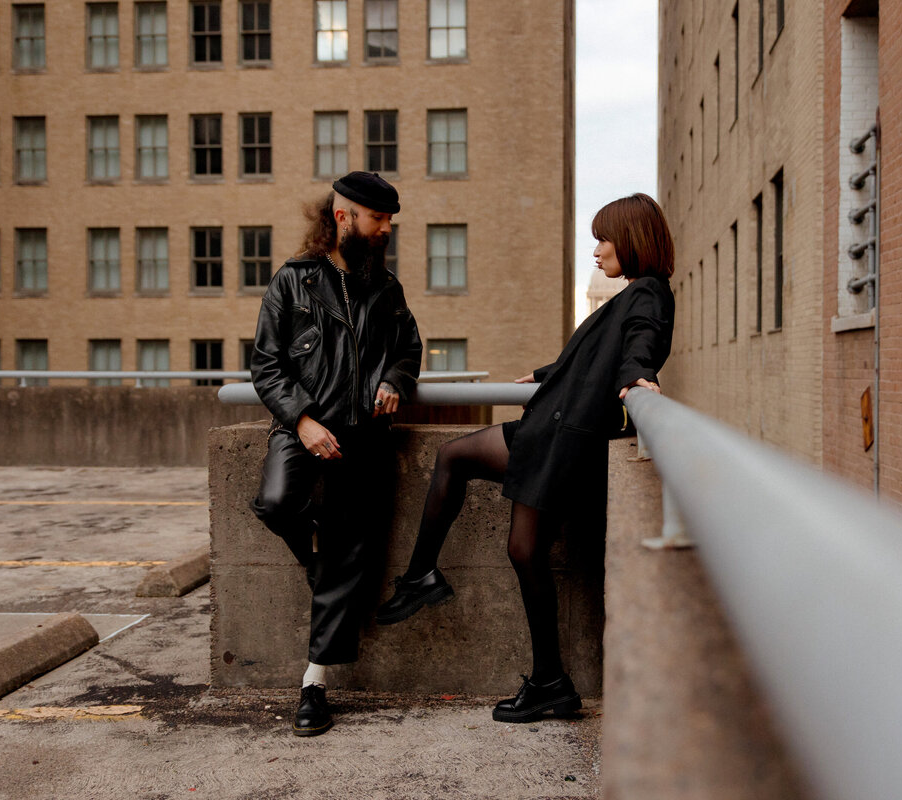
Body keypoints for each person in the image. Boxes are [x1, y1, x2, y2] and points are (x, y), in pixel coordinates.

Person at [377, 192, 675, 723]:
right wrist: (544, 375)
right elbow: (591, 359)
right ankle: (550, 682)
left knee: (455, 459)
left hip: (562, 442)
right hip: (557, 436)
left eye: (603, 238)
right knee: (521, 547)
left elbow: (638, 350)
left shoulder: (648, 295)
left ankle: (425, 578)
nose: (597, 250)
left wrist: (638, 378)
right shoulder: (635, 293)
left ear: (631, 239)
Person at [249, 171, 422, 737]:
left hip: (365, 441)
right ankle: (319, 563)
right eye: (378, 220)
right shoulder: (292, 282)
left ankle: (313, 684)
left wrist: (396, 377)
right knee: (276, 504)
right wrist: (300, 421)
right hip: (301, 428)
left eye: (389, 221)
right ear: (344, 217)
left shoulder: (386, 288)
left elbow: (410, 348)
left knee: (351, 556)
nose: (385, 230)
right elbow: (266, 365)